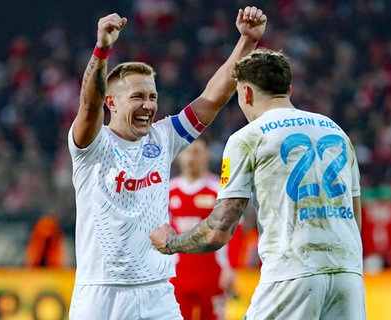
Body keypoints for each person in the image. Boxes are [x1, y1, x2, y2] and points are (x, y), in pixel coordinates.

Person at [67, 7, 267, 320]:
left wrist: (246, 42)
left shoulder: (162, 138)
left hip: (157, 292)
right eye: (137, 97)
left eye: (152, 96)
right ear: (112, 102)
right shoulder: (93, 146)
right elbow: (88, 106)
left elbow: (213, 98)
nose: (148, 105)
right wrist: (102, 49)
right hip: (101, 293)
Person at [150, 48, 366, 320]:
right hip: (348, 276)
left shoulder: (250, 137)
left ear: (246, 93)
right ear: (288, 88)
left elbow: (219, 231)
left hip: (292, 273)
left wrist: (171, 242)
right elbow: (354, 220)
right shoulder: (337, 132)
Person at [168, 137, 238, 320]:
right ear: (179, 156)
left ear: (207, 156)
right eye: (187, 152)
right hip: (178, 275)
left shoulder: (219, 190)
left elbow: (234, 231)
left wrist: (232, 267)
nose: (191, 157)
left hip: (212, 274)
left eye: (196, 152)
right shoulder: (168, 191)